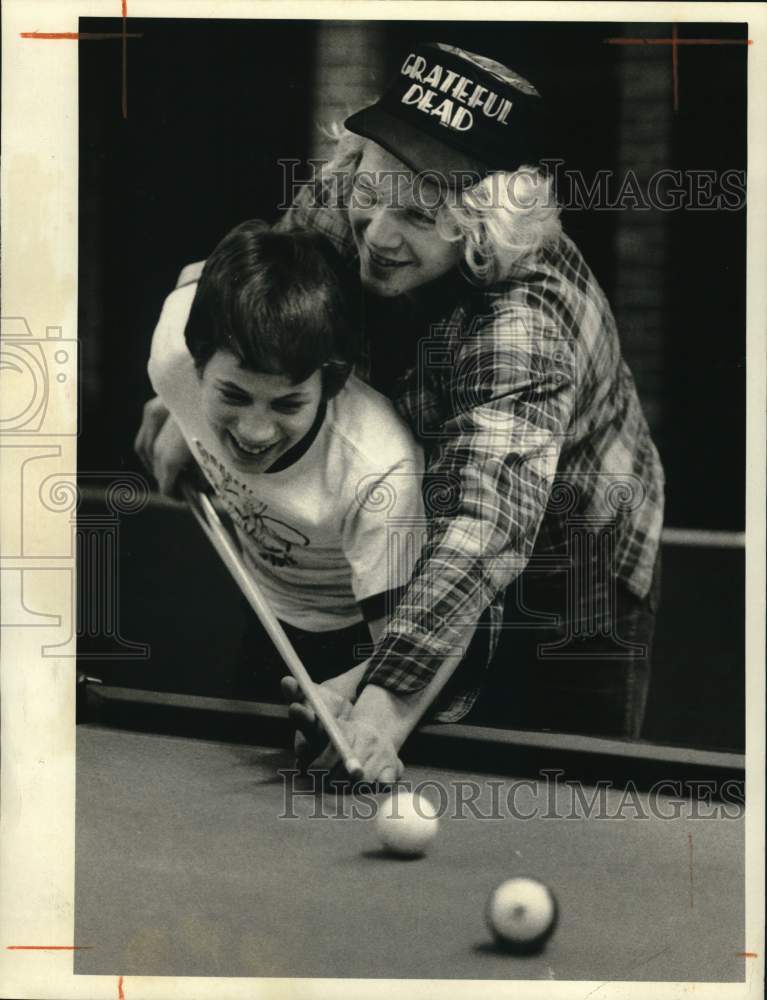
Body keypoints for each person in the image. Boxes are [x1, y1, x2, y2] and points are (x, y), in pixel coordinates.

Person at [136, 42, 664, 780]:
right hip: (396, 519)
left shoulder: (526, 324)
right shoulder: (350, 194)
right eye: (373, 191)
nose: (378, 233)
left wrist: (380, 710)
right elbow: (261, 316)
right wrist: (188, 405)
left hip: (564, 564)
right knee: (308, 736)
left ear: (485, 223)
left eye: (419, 214)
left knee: (565, 795)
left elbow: (480, 534)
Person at [145, 220, 426, 781]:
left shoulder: (377, 468)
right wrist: (175, 416)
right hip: (268, 614)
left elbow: (402, 647)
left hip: (360, 643)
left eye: (287, 404)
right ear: (197, 362)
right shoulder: (173, 358)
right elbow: (193, 281)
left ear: (332, 380)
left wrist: (363, 710)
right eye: (233, 395)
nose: (254, 431)